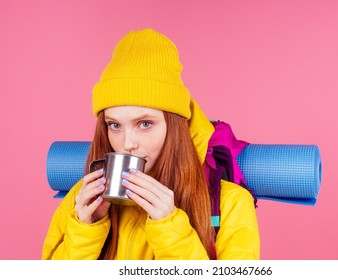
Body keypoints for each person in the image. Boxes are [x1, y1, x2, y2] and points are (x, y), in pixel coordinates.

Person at [42, 28, 260, 260]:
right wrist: (86, 230)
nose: (127, 143)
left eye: (145, 123)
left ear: (175, 126)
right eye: (114, 125)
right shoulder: (82, 198)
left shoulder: (231, 203)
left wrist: (170, 229)